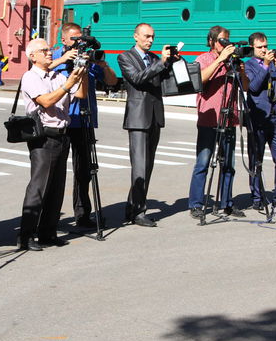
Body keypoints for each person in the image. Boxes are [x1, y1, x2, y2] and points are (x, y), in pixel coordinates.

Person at [18, 38, 87, 251]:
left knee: (56, 187)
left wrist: (82, 72)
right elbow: (46, 101)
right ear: (32, 56)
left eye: (49, 50)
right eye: (44, 50)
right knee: (39, 187)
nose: (50, 53)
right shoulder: (30, 77)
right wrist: (67, 85)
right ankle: (26, 235)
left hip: (62, 135)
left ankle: (48, 232)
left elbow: (81, 94)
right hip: (43, 137)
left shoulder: (58, 76)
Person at [50, 23, 117, 228]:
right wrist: (62, 60)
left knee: (84, 171)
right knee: (55, 172)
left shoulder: (87, 58)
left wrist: (103, 65)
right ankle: (49, 218)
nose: (79, 43)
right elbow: (40, 72)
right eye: (74, 39)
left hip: (84, 120)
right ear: (64, 39)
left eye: (81, 39)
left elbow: (112, 82)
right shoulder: (54, 56)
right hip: (61, 119)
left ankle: (83, 214)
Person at [118, 23, 175, 227]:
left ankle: (132, 208)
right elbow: (137, 78)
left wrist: (171, 61)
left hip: (154, 116)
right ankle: (139, 212)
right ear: (136, 36)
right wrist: (161, 63)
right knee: (140, 166)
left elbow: (165, 80)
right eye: (146, 36)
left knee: (147, 166)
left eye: (153, 36)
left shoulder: (153, 58)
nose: (150, 40)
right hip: (138, 118)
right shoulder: (125, 57)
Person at [188, 26, 245, 219]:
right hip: (209, 118)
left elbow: (245, 86)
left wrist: (241, 70)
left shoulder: (232, 62)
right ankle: (196, 204)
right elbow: (199, 79)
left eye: (227, 40)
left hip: (229, 118)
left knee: (228, 164)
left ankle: (227, 202)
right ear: (212, 42)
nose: (225, 44)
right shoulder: (202, 59)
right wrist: (220, 60)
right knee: (203, 162)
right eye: (221, 40)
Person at [244, 32, 276, 210]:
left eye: (266, 46)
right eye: (260, 47)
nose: (264, 50)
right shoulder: (248, 65)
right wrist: (265, 65)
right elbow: (253, 87)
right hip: (258, 117)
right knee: (256, 159)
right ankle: (257, 198)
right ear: (252, 48)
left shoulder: (273, 64)